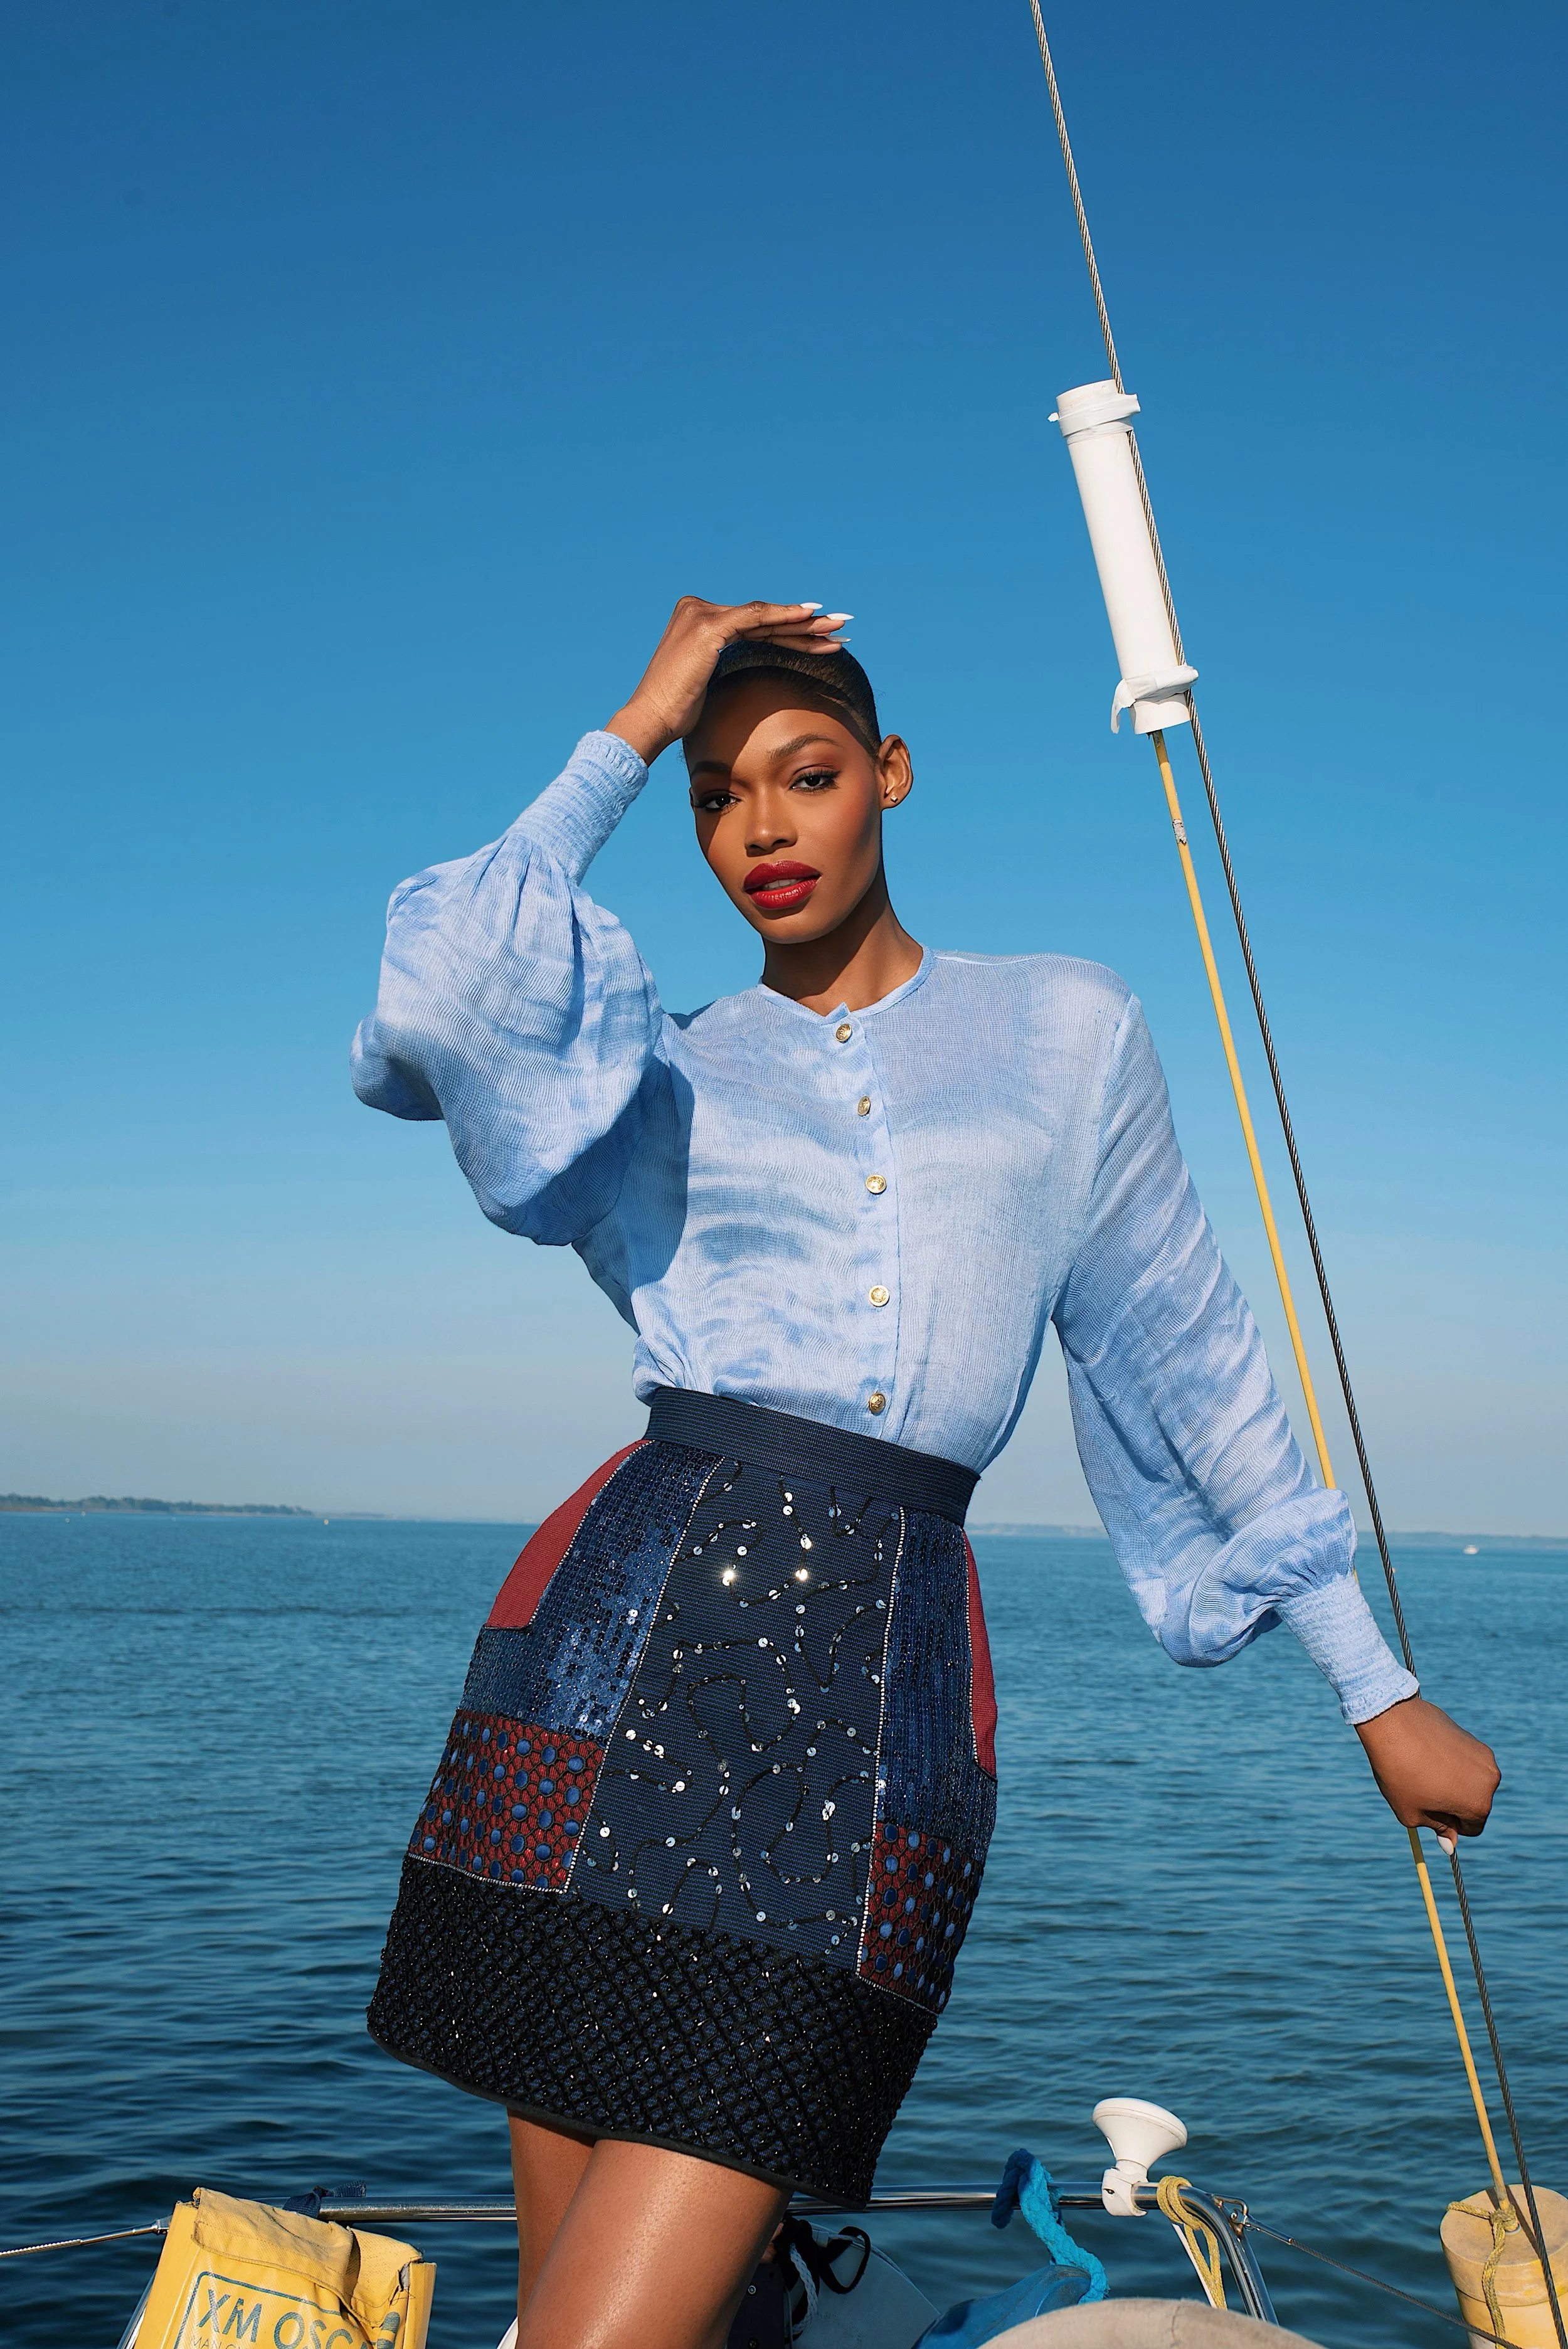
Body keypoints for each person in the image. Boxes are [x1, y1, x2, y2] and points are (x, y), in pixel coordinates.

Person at [351, 597, 1499, 2349]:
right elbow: (436, 1000)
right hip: (610, 1657)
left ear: (887, 775)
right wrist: (634, 721)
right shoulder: (648, 1072)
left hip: (872, 1698)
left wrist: (1372, 1688)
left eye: (803, 776)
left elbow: (1182, 1354)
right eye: (715, 795)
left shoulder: (1062, 1032)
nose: (760, 828)